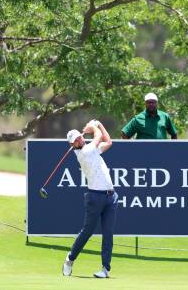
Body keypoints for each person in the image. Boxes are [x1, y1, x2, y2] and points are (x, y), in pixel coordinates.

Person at [62, 119, 117, 279]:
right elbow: (98, 137)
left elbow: (108, 141)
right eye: (75, 141)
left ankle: (105, 269)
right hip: (95, 197)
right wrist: (94, 127)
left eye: (79, 137)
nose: (79, 140)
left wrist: (99, 124)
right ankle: (69, 260)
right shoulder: (84, 153)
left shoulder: (91, 149)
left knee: (108, 233)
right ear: (72, 145)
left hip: (111, 197)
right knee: (87, 232)